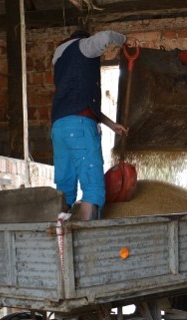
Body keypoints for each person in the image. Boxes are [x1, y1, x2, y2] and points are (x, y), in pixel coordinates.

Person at [51, 29, 129, 220]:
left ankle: (61, 237)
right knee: (93, 185)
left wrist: (112, 125)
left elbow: (79, 100)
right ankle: (90, 240)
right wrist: (126, 40)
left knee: (65, 188)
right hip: (79, 128)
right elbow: (106, 37)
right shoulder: (83, 47)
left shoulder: (59, 58)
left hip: (59, 128)